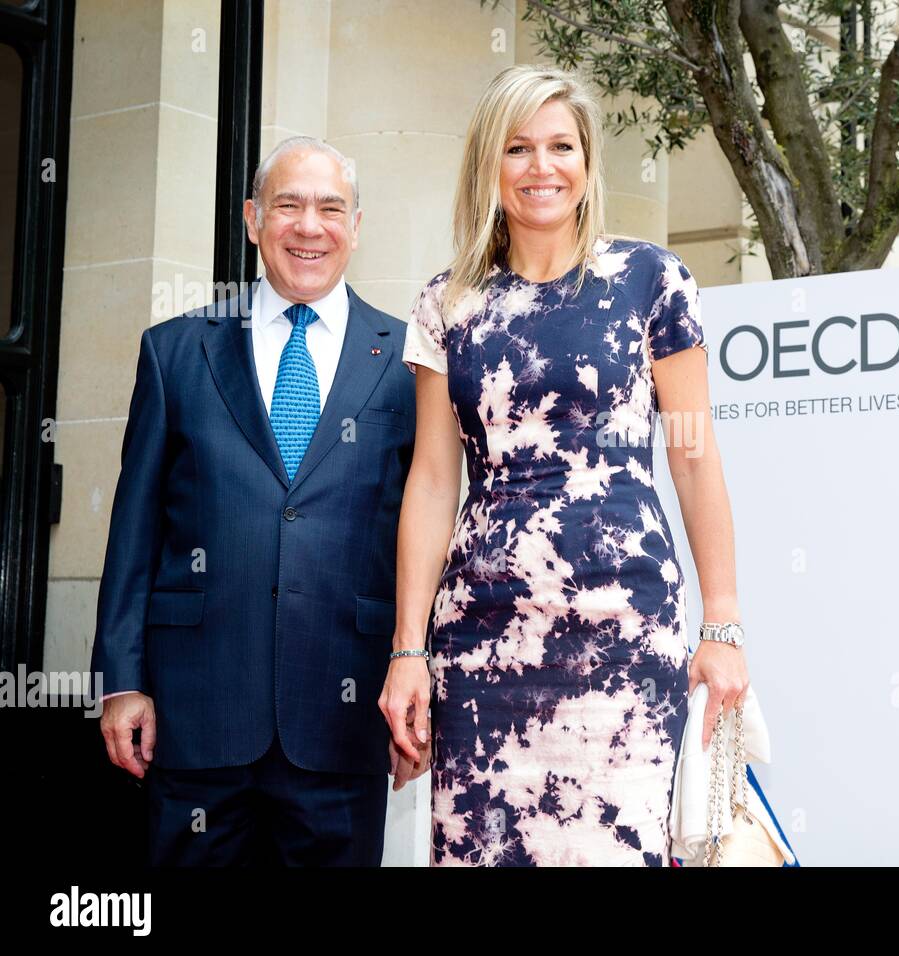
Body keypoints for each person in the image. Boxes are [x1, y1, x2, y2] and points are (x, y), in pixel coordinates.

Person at [381, 65, 749, 866]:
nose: (541, 168)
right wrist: (408, 649)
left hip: (625, 630)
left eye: (560, 146)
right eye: (518, 148)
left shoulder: (652, 281)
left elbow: (692, 456)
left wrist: (721, 626)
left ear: (587, 164)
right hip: (482, 638)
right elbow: (434, 481)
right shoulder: (448, 303)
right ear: (489, 164)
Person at [91, 136, 427, 866]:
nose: (310, 227)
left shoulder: (409, 361)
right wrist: (121, 681)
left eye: (331, 208)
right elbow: (135, 529)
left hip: (343, 721)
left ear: (358, 226)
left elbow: (425, 533)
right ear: (252, 219)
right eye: (289, 205)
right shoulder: (176, 351)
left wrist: (419, 676)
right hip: (195, 720)